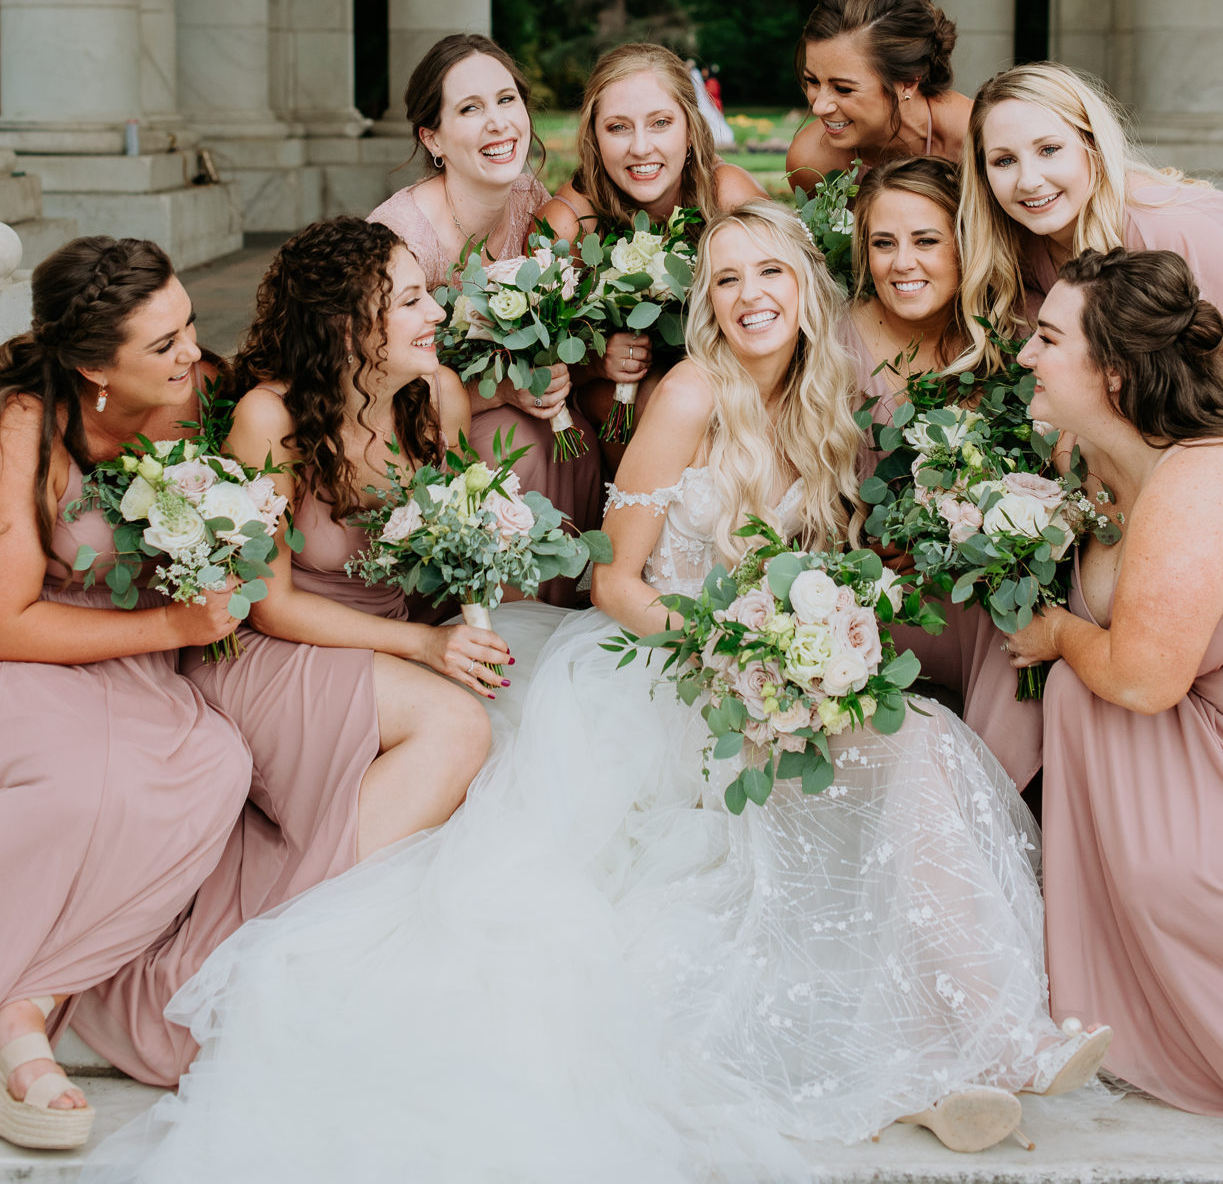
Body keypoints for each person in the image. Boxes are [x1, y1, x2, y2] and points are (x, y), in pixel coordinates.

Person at [91, 206, 1107, 1184]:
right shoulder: (685, 394)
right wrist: (729, 645)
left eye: (770, 272)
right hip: (667, 668)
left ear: (807, 286)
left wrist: (823, 636)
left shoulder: (825, 398)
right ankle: (930, 1046)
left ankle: (975, 1037)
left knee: (921, 742)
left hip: (766, 670)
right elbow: (615, 580)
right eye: (724, 278)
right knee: (708, 867)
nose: (750, 294)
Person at [67, 220, 496, 1091]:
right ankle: (277, 966)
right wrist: (421, 643)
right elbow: (271, 598)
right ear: (347, 324)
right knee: (455, 728)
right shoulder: (274, 415)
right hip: (267, 650)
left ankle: (303, 951)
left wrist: (471, 608)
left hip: (381, 647)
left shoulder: (438, 398)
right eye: (408, 299)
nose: (433, 311)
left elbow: (457, 548)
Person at [0, 238, 250, 1151]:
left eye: (187, 322)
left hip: (140, 662)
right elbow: (9, 618)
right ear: (92, 366)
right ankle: (22, 1018)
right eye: (163, 344)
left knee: (216, 766)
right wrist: (172, 629)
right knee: (80, 787)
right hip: (38, 655)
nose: (191, 351)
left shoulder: (197, 396)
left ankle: (39, 989)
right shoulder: (27, 427)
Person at [1006, 249, 1223, 1115]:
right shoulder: (1093, 466)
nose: (1024, 354)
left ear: (1115, 371)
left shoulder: (1194, 481)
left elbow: (1139, 678)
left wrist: (1059, 631)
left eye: (1047, 339)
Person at [840, 157, 1040, 793]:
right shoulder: (830, 341)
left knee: (1020, 613)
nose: (903, 264)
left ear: (965, 241)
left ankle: (1001, 801)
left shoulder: (1011, 338)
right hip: (877, 586)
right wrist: (860, 540)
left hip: (976, 584)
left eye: (926, 240)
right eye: (883, 243)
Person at [370, 33, 601, 566]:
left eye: (506, 99)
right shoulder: (400, 238)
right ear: (434, 139)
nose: (498, 122)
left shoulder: (529, 198)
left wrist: (553, 369)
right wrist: (501, 393)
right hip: (421, 425)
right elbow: (374, 386)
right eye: (470, 109)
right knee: (519, 443)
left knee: (577, 438)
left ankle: (557, 611)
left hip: (513, 407)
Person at [539, 42, 760, 460]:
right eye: (618, 127)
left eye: (660, 123)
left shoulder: (727, 195)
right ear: (594, 137)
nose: (640, 147)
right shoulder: (568, 224)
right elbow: (531, 360)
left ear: (691, 129)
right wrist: (596, 361)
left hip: (730, 384)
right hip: (621, 406)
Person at [959, 61, 1223, 341]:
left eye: (1049, 150)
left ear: (1094, 146)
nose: (1028, 181)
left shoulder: (1169, 228)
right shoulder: (1017, 245)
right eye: (1005, 161)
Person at [786, 0, 971, 194]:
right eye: (812, 81)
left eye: (843, 89)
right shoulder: (812, 162)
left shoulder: (973, 137)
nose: (819, 107)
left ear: (908, 83)